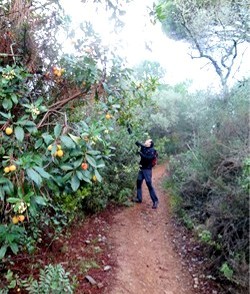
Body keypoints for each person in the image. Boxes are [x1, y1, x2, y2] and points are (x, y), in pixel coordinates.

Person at [133, 139, 159, 209]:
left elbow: (148, 159)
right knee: (138, 182)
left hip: (147, 170)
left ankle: (155, 201)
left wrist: (140, 153)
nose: (145, 141)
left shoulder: (152, 150)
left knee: (149, 185)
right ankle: (139, 198)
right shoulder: (143, 147)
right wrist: (129, 128)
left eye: (147, 141)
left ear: (150, 143)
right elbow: (136, 141)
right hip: (141, 169)